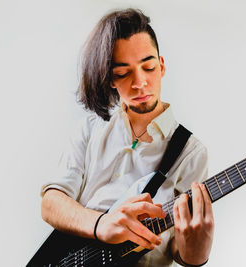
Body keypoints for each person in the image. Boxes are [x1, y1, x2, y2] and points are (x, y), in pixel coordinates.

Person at [40, 8, 214, 267]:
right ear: (109, 78)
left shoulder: (191, 153)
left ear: (162, 66)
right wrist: (101, 224)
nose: (140, 82)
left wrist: (199, 248)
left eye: (148, 67)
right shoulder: (90, 128)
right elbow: (51, 202)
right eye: (123, 73)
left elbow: (183, 252)